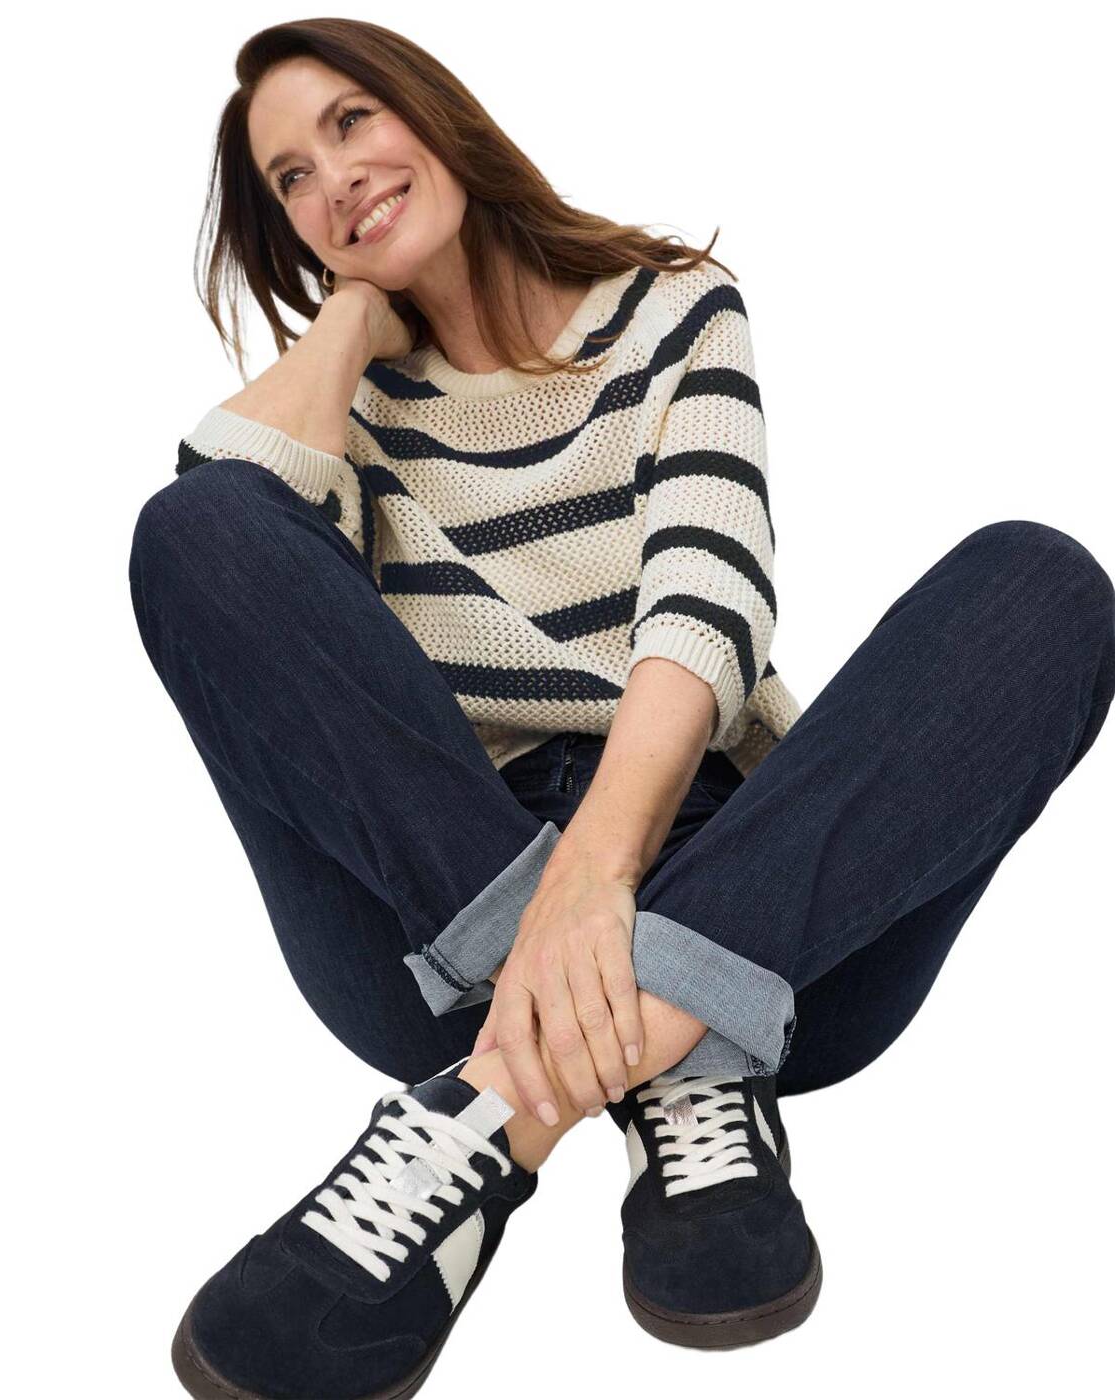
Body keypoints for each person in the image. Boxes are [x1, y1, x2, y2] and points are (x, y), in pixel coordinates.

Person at [128, 18, 1115, 1396]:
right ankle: (676, 1054)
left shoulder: (673, 307)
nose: (333, 177)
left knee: (1040, 584)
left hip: (765, 903)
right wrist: (348, 319)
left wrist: (598, 879)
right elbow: (222, 529)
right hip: (438, 935)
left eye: (352, 121)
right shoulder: (338, 408)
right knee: (195, 534)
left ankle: (490, 1120)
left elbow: (708, 598)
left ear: (432, 110)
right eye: (290, 177)